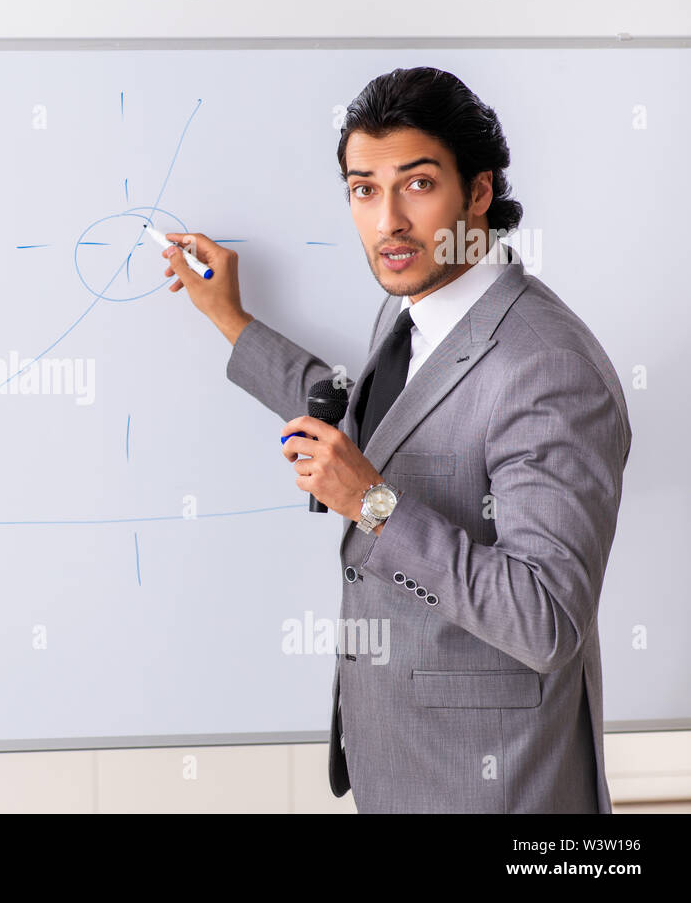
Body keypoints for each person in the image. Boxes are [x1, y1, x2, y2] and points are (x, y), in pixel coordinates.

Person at [162, 66, 631, 813]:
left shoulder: (547, 369)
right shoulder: (414, 309)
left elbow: (547, 620)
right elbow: (373, 426)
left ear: (478, 193)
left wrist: (375, 506)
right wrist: (233, 321)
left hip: (499, 786)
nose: (389, 222)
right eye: (364, 189)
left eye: (416, 184)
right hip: (401, 763)